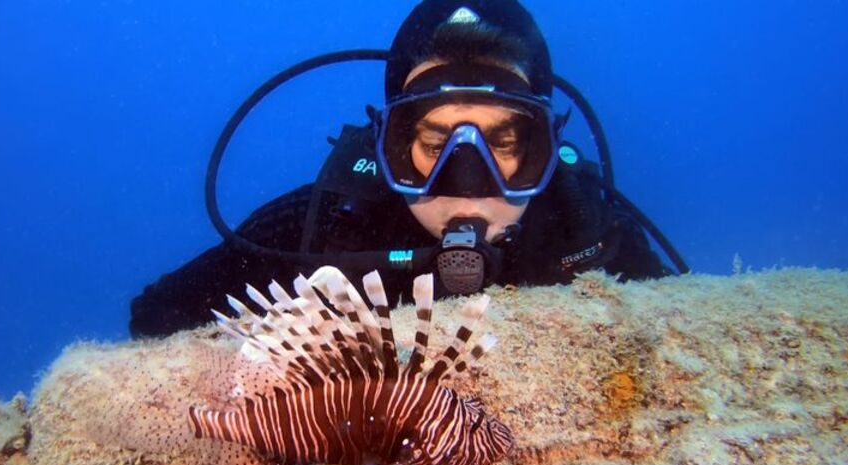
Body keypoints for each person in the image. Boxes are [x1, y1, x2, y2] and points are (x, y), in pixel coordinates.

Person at [129, 0, 674, 339]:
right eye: (436, 141)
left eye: (505, 141)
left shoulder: (586, 227)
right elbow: (157, 315)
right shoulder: (327, 221)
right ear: (390, 144)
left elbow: (681, 326)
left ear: (543, 149)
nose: (468, 178)